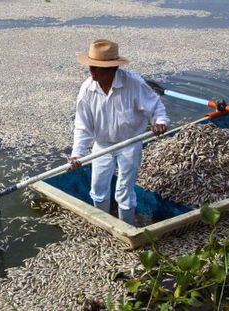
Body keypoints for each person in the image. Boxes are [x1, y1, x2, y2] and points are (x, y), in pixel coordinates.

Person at [69, 39, 169, 225]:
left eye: (97, 68)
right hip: (102, 144)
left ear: (112, 69)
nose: (92, 72)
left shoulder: (134, 83)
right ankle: (103, 225)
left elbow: (156, 107)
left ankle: (127, 226)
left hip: (130, 143)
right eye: (91, 67)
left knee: (124, 190)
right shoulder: (87, 89)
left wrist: (160, 122)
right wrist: (77, 154)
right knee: (98, 188)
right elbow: (82, 126)